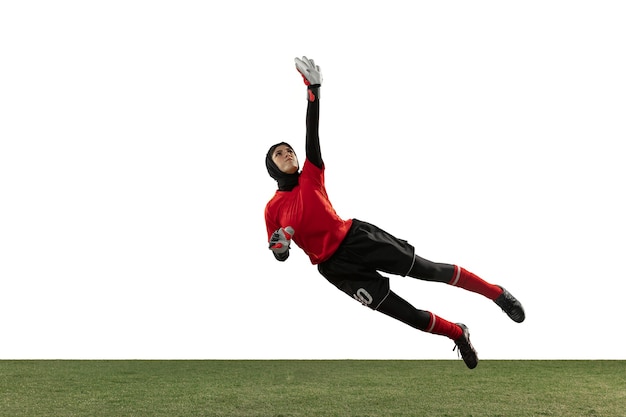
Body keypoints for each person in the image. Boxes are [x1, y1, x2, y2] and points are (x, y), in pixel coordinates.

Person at [264, 56, 525, 369]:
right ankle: (458, 334)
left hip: (357, 239)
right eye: (279, 154)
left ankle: (497, 294)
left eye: (288, 149)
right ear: (272, 167)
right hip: (336, 270)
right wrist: (280, 250)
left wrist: (314, 91)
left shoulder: (311, 174)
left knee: (430, 271)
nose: (287, 153)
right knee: (409, 316)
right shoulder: (272, 209)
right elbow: (280, 253)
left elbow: (312, 132)